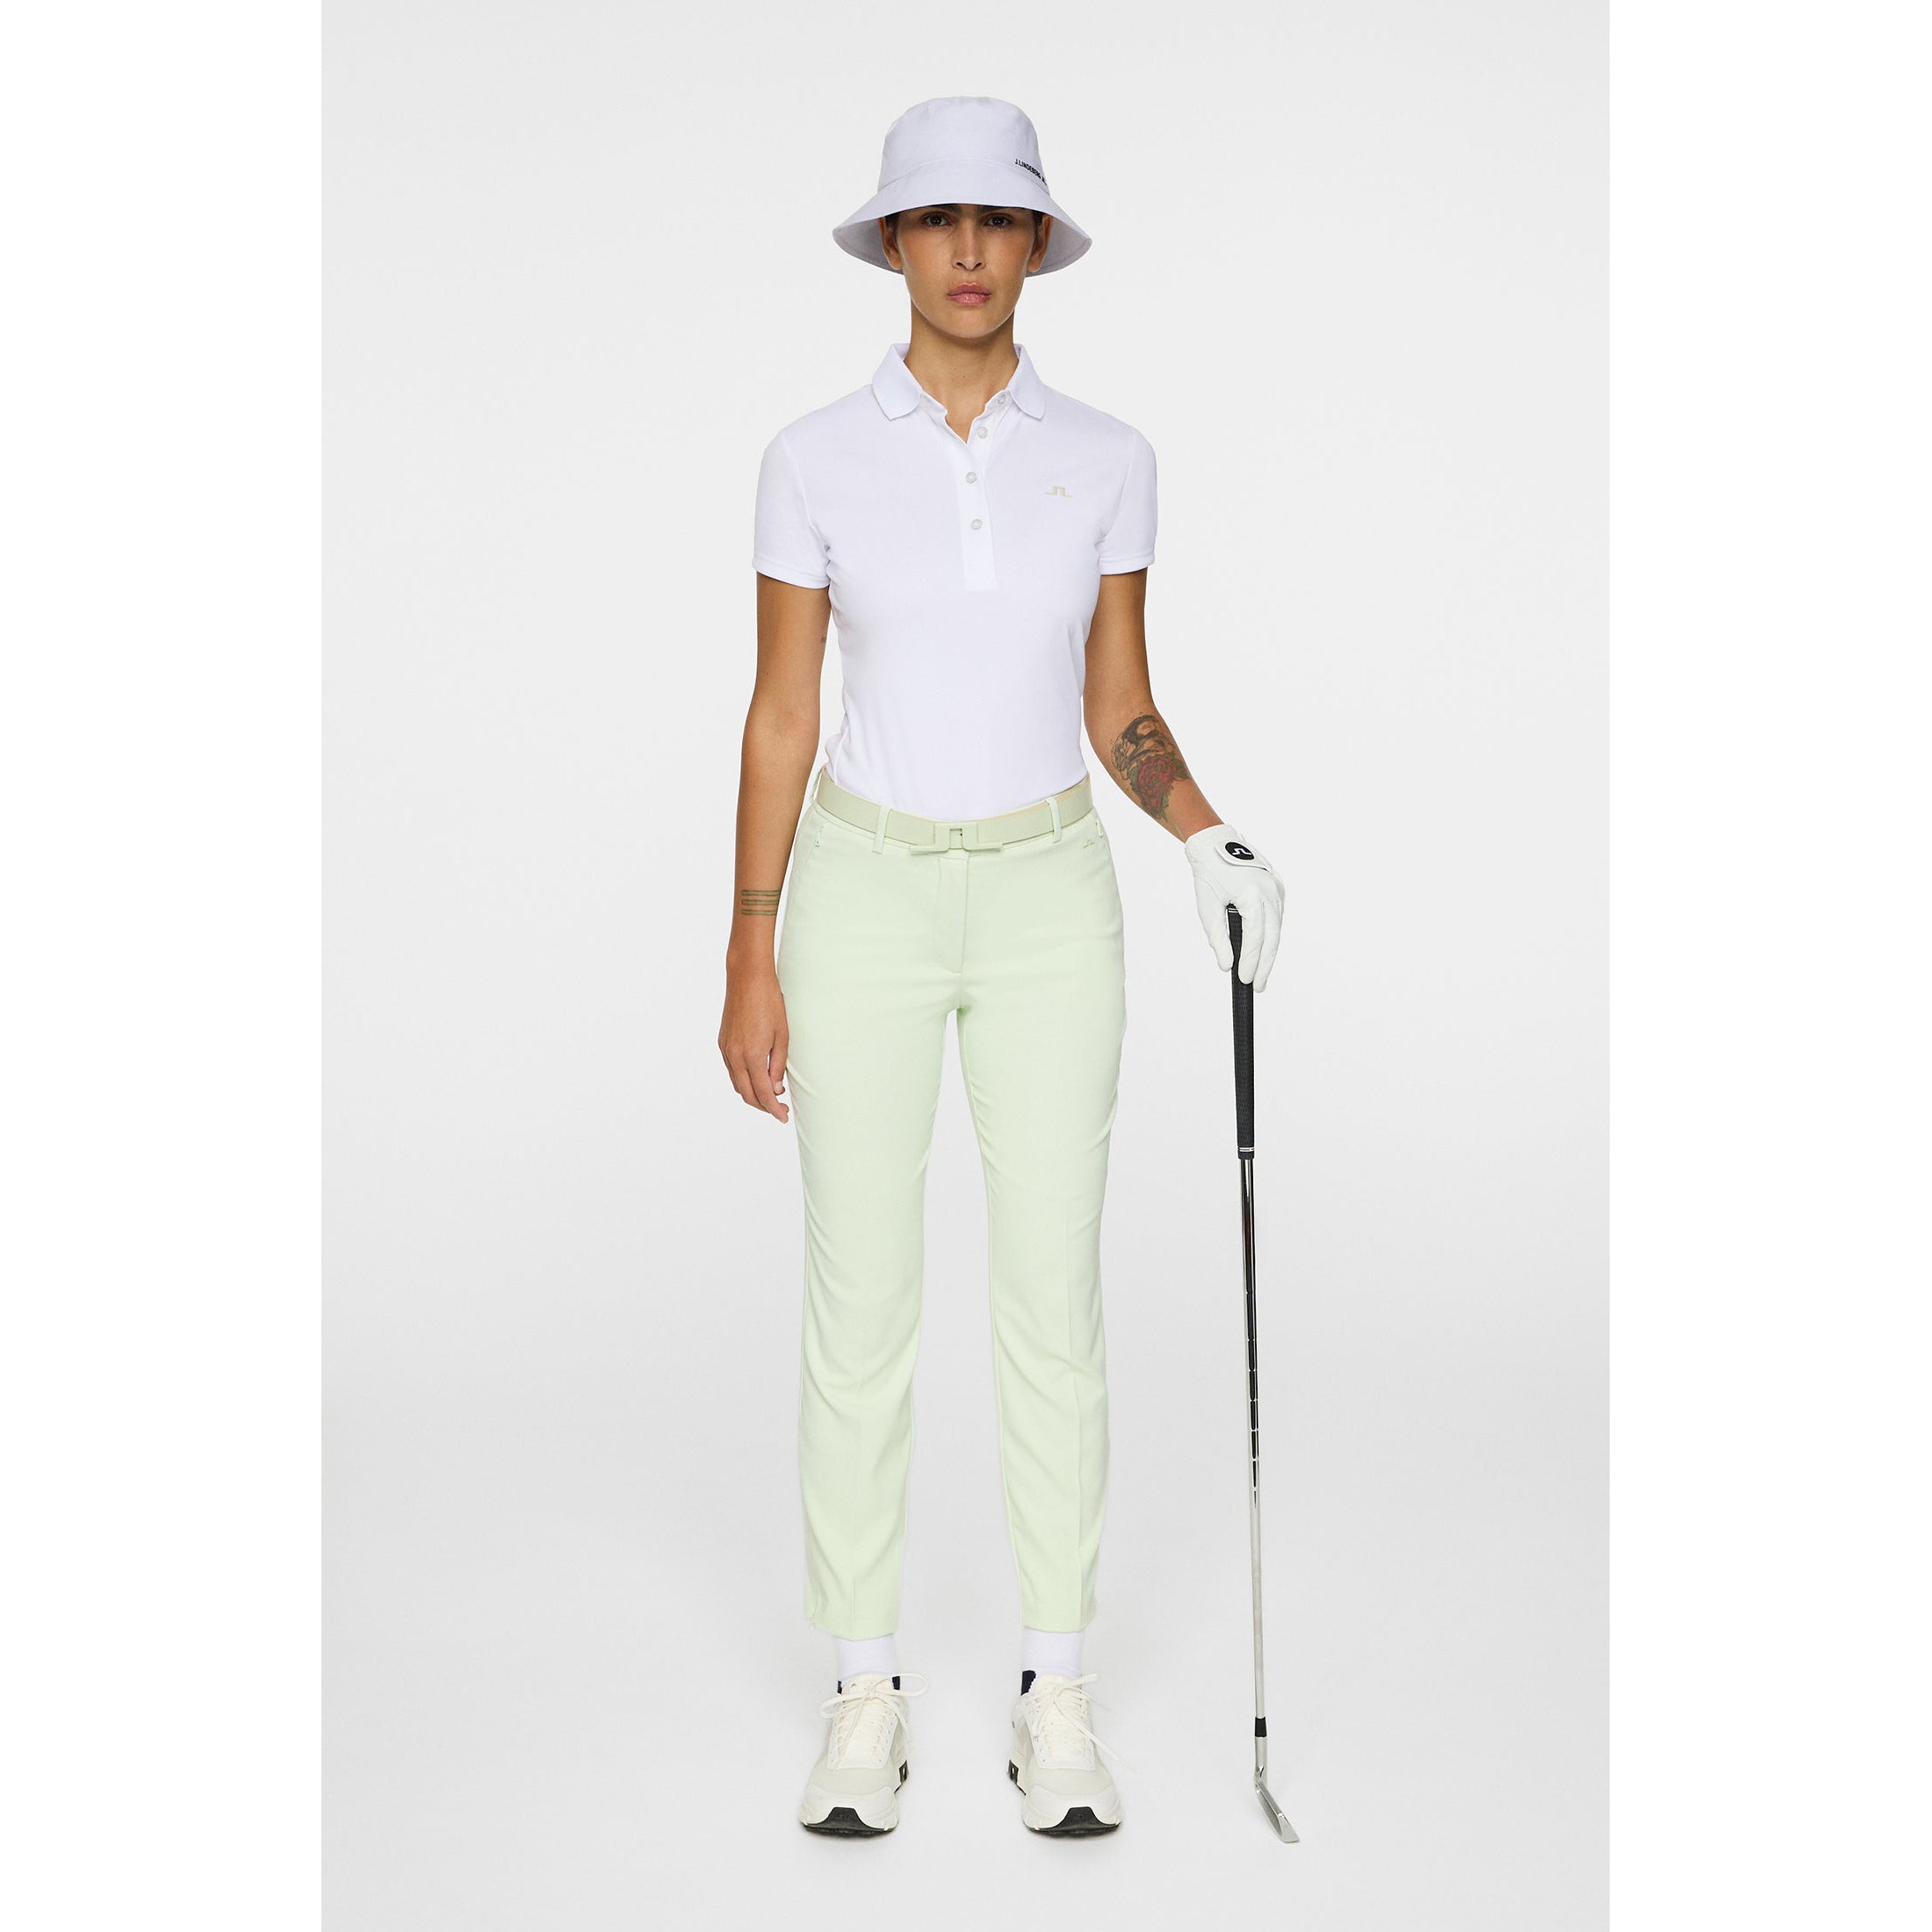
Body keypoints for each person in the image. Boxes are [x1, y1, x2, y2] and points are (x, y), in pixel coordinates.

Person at [718, 96, 1285, 1837]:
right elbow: (784, 713)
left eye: (997, 220)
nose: (966, 251)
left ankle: (1054, 1683)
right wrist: (750, 941)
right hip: (863, 894)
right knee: (861, 1295)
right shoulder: (812, 457)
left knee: (1051, 1291)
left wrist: (1202, 833)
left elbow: (1118, 703)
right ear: (893, 242)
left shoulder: (1103, 457)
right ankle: (863, 1686)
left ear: (1035, 241)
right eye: (935, 220)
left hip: (1048, 892)